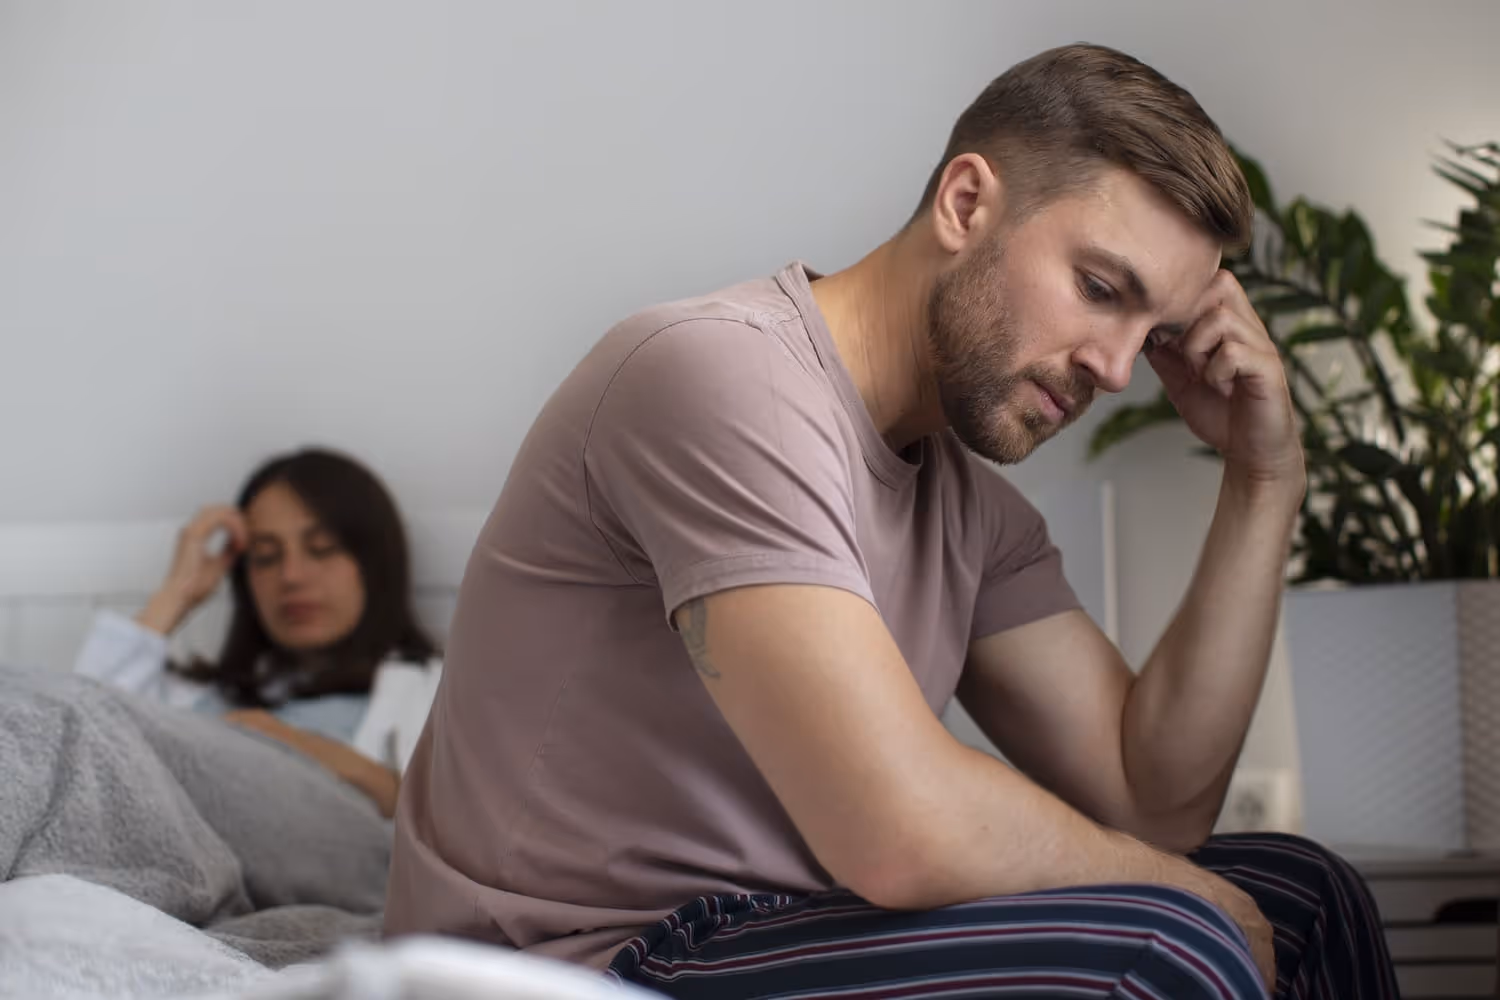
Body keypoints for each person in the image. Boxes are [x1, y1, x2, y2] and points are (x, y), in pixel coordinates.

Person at [385, 44, 1399, 999]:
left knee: (1304, 894)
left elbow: (1153, 804)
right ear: (966, 202)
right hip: (584, 954)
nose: (1117, 368)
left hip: (774, 928)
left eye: (1154, 330)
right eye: (1099, 289)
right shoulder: (716, 376)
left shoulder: (970, 508)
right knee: (1169, 941)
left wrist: (1265, 474)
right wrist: (1177, 892)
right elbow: (897, 827)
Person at [74, 447, 442, 817]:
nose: (292, 576)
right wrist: (176, 593)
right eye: (265, 556)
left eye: (322, 549)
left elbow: (444, 827)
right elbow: (79, 747)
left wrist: (285, 742)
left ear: (375, 564)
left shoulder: (434, 696)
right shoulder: (195, 699)